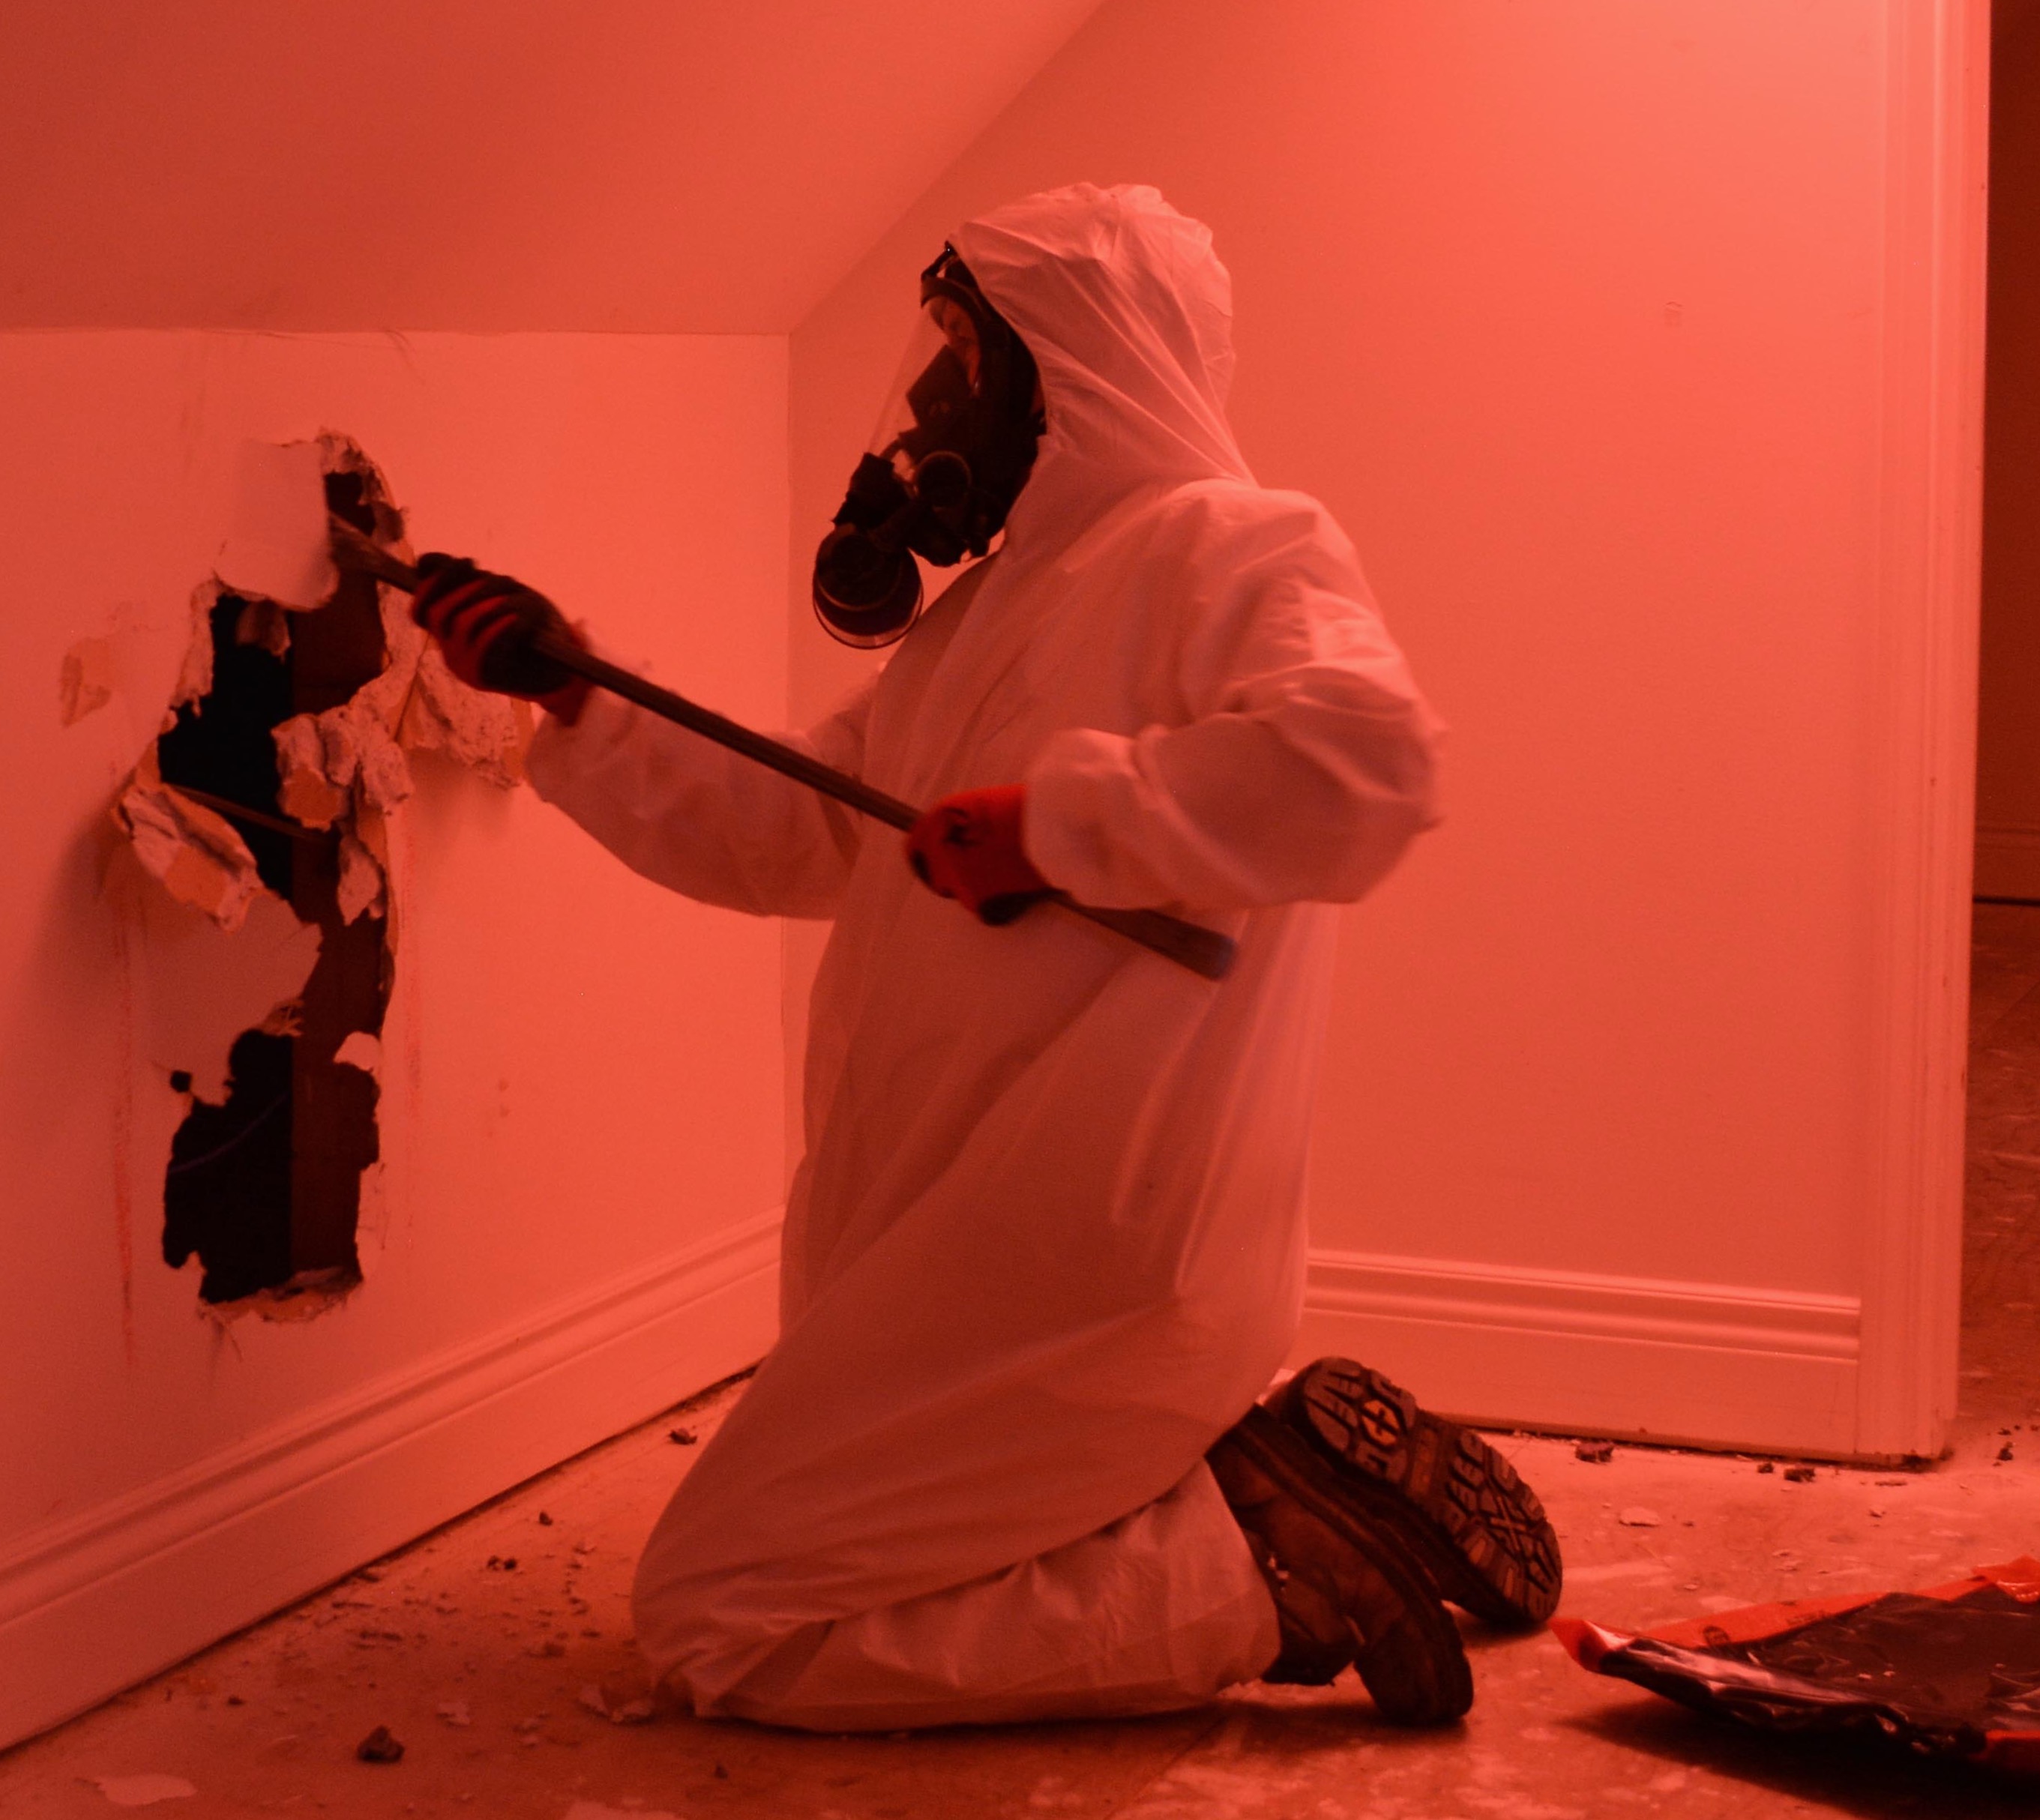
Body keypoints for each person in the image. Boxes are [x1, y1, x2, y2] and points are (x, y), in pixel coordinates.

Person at [409, 182, 1559, 1732]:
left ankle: (1262, 1568)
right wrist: (580, 693)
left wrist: (1059, 827)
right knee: (836, 1566)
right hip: (960, 1234)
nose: (929, 405)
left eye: (961, 356)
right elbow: (803, 833)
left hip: (1083, 1256)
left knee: (727, 1616)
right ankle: (1257, 1489)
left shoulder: (1235, 544)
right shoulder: (984, 621)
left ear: (1065, 363)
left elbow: (1365, 767)